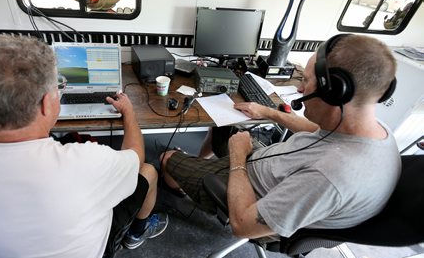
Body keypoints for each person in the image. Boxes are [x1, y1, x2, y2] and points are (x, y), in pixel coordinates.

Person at [0, 35, 168, 258]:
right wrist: (129, 112)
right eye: (58, 88)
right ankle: (135, 235)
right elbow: (134, 158)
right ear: (45, 103)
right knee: (148, 170)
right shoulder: (85, 163)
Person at [160, 34, 400, 240]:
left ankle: (183, 184)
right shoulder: (371, 128)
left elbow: (242, 225)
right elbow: (313, 130)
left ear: (334, 92)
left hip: (249, 198)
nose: (299, 89)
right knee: (224, 126)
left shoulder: (329, 178)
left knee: (166, 157)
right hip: (263, 164)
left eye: (306, 81)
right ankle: (200, 165)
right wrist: (267, 112)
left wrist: (238, 159)